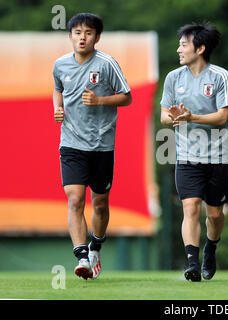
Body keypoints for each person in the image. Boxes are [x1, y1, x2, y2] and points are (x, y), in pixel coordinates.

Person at [52, 13, 132, 280]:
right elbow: (57, 88)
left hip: (101, 146)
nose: (82, 37)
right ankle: (82, 256)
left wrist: (100, 101)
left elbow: (127, 97)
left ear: (97, 37)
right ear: (71, 36)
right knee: (75, 199)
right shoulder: (60, 64)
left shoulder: (107, 63)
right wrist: (57, 108)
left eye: (88, 33)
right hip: (71, 143)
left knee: (99, 203)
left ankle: (95, 245)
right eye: (77, 32)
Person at [160, 22, 228, 282]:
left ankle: (210, 248)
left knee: (214, 214)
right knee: (190, 208)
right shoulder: (173, 77)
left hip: (217, 157)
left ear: (200, 48)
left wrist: (192, 118)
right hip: (186, 156)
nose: (179, 49)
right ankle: (192, 263)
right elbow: (164, 116)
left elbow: (223, 117)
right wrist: (175, 117)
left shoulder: (220, 76)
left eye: (184, 44)